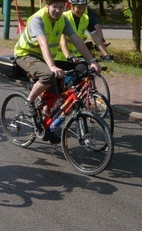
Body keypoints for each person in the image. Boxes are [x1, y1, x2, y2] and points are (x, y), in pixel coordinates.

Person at [14, 0, 101, 143]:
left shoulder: (63, 20)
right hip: (26, 54)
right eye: (55, 7)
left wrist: (92, 61)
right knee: (48, 75)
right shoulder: (38, 19)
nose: (58, 10)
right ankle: (29, 102)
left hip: (45, 58)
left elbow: (77, 41)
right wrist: (52, 66)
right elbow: (42, 42)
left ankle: (46, 128)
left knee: (55, 99)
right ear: (48, 6)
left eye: (61, 7)